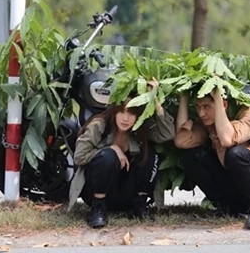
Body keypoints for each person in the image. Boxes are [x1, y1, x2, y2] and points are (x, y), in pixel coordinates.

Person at [68, 79, 175, 228]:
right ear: (114, 111)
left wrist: (154, 98)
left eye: (131, 114)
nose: (125, 119)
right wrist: (112, 149)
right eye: (121, 112)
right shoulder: (99, 125)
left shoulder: (140, 129)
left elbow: (168, 134)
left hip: (126, 193)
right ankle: (98, 209)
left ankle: (140, 205)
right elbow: (79, 157)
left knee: (149, 153)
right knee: (107, 157)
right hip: (97, 191)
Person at [174, 87, 250, 229]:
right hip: (238, 187)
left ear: (224, 104)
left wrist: (218, 98)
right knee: (191, 156)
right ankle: (226, 207)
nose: (201, 113)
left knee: (235, 153)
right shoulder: (208, 124)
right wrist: (184, 98)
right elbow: (181, 141)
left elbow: (227, 140)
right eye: (198, 107)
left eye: (207, 107)